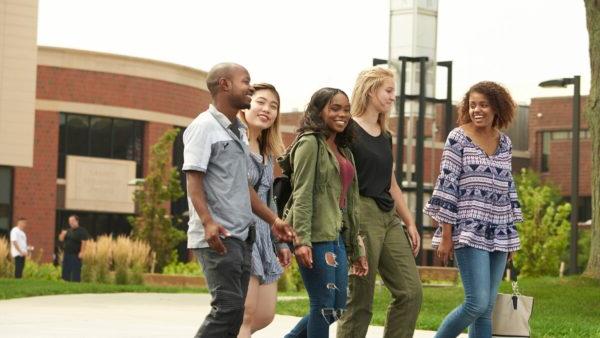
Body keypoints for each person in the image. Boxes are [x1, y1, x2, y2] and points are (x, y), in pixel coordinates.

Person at [183, 63, 294, 338]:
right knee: (230, 309)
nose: (249, 86)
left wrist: (274, 221)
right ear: (225, 85)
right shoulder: (204, 126)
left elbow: (245, 189)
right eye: (245, 82)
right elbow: (193, 179)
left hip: (244, 235)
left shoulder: (237, 133)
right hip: (220, 233)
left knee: (235, 315)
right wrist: (208, 223)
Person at [424, 81, 522, 338]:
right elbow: (446, 185)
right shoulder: (458, 138)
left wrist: (510, 238)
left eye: (483, 105)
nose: (477, 110)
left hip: (499, 231)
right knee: (476, 303)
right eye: (473, 105)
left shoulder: (505, 143)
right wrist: (446, 234)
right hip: (467, 230)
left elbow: (507, 188)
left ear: (496, 108)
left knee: (487, 309)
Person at [337, 67, 423, 338]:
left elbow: (391, 182)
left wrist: (409, 221)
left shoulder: (385, 135)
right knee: (360, 298)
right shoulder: (346, 129)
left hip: (388, 216)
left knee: (411, 292)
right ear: (370, 90)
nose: (392, 97)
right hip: (360, 213)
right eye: (388, 90)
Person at [281, 87, 368, 338]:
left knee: (336, 307)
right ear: (318, 111)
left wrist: (355, 245)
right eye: (334, 108)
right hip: (315, 235)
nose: (342, 114)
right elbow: (302, 195)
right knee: (322, 304)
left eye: (346, 110)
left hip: (336, 235)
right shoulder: (309, 143)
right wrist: (302, 241)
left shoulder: (344, 149)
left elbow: (349, 204)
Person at [237, 83, 292, 338]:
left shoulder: (268, 152)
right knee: (245, 313)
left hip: (264, 235)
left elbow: (269, 201)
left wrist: (280, 242)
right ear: (246, 104)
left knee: (264, 315)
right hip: (240, 232)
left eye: (273, 106)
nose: (267, 109)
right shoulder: (234, 142)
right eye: (260, 102)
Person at [58, 215, 90, 282]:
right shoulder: (68, 231)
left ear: (77, 221)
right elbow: (61, 239)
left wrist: (82, 252)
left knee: (75, 270)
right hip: (67, 253)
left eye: (72, 221)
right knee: (66, 269)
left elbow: (84, 242)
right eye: (69, 221)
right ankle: (65, 281)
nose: (71, 222)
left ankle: (76, 283)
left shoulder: (82, 231)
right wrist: (63, 234)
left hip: (76, 254)